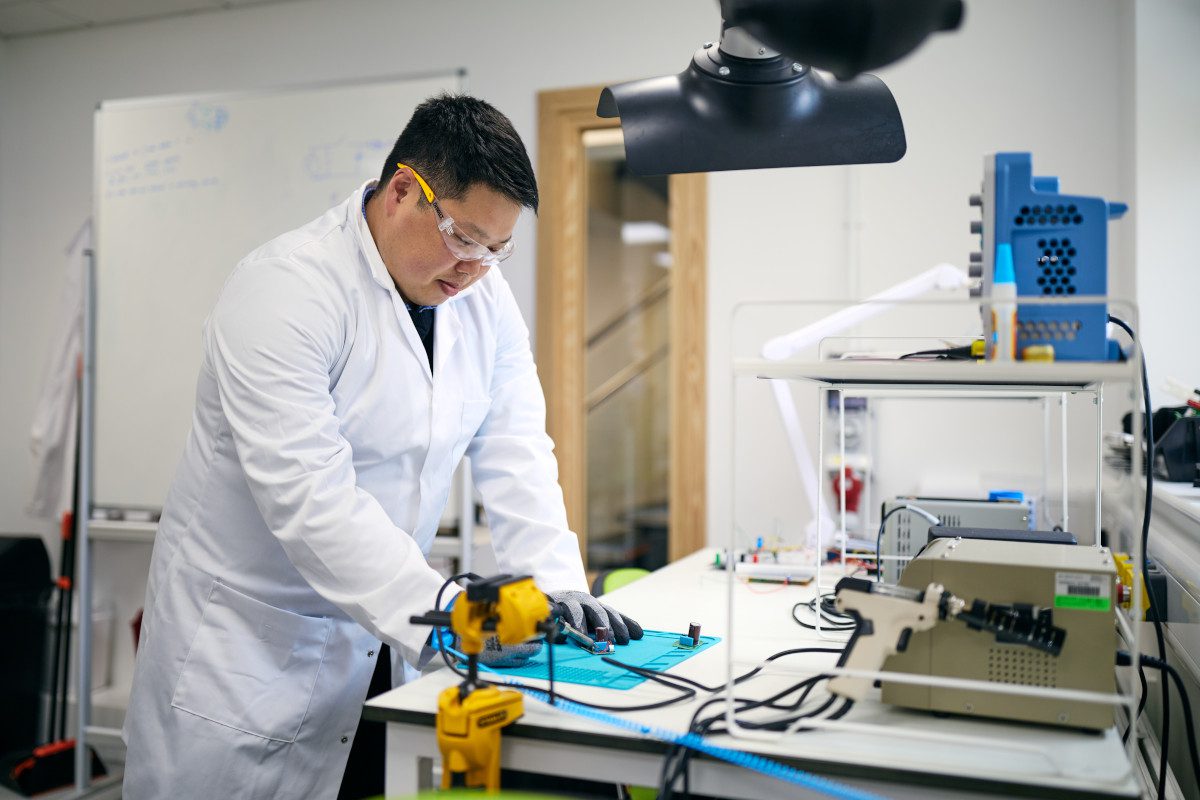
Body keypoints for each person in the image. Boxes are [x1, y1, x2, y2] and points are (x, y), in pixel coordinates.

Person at [122, 94, 642, 800]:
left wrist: (559, 585)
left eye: (497, 249)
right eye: (464, 237)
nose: (476, 269)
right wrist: (452, 616)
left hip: (378, 645)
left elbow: (516, 445)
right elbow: (314, 503)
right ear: (403, 191)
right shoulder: (284, 292)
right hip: (249, 660)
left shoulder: (480, 298)